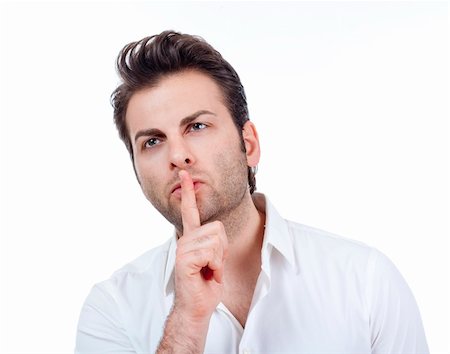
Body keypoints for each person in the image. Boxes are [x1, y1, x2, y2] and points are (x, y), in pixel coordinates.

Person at [75, 30, 429, 354]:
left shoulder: (365, 280)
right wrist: (187, 320)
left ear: (249, 144)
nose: (177, 155)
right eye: (152, 141)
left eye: (197, 126)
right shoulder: (112, 309)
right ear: (136, 170)